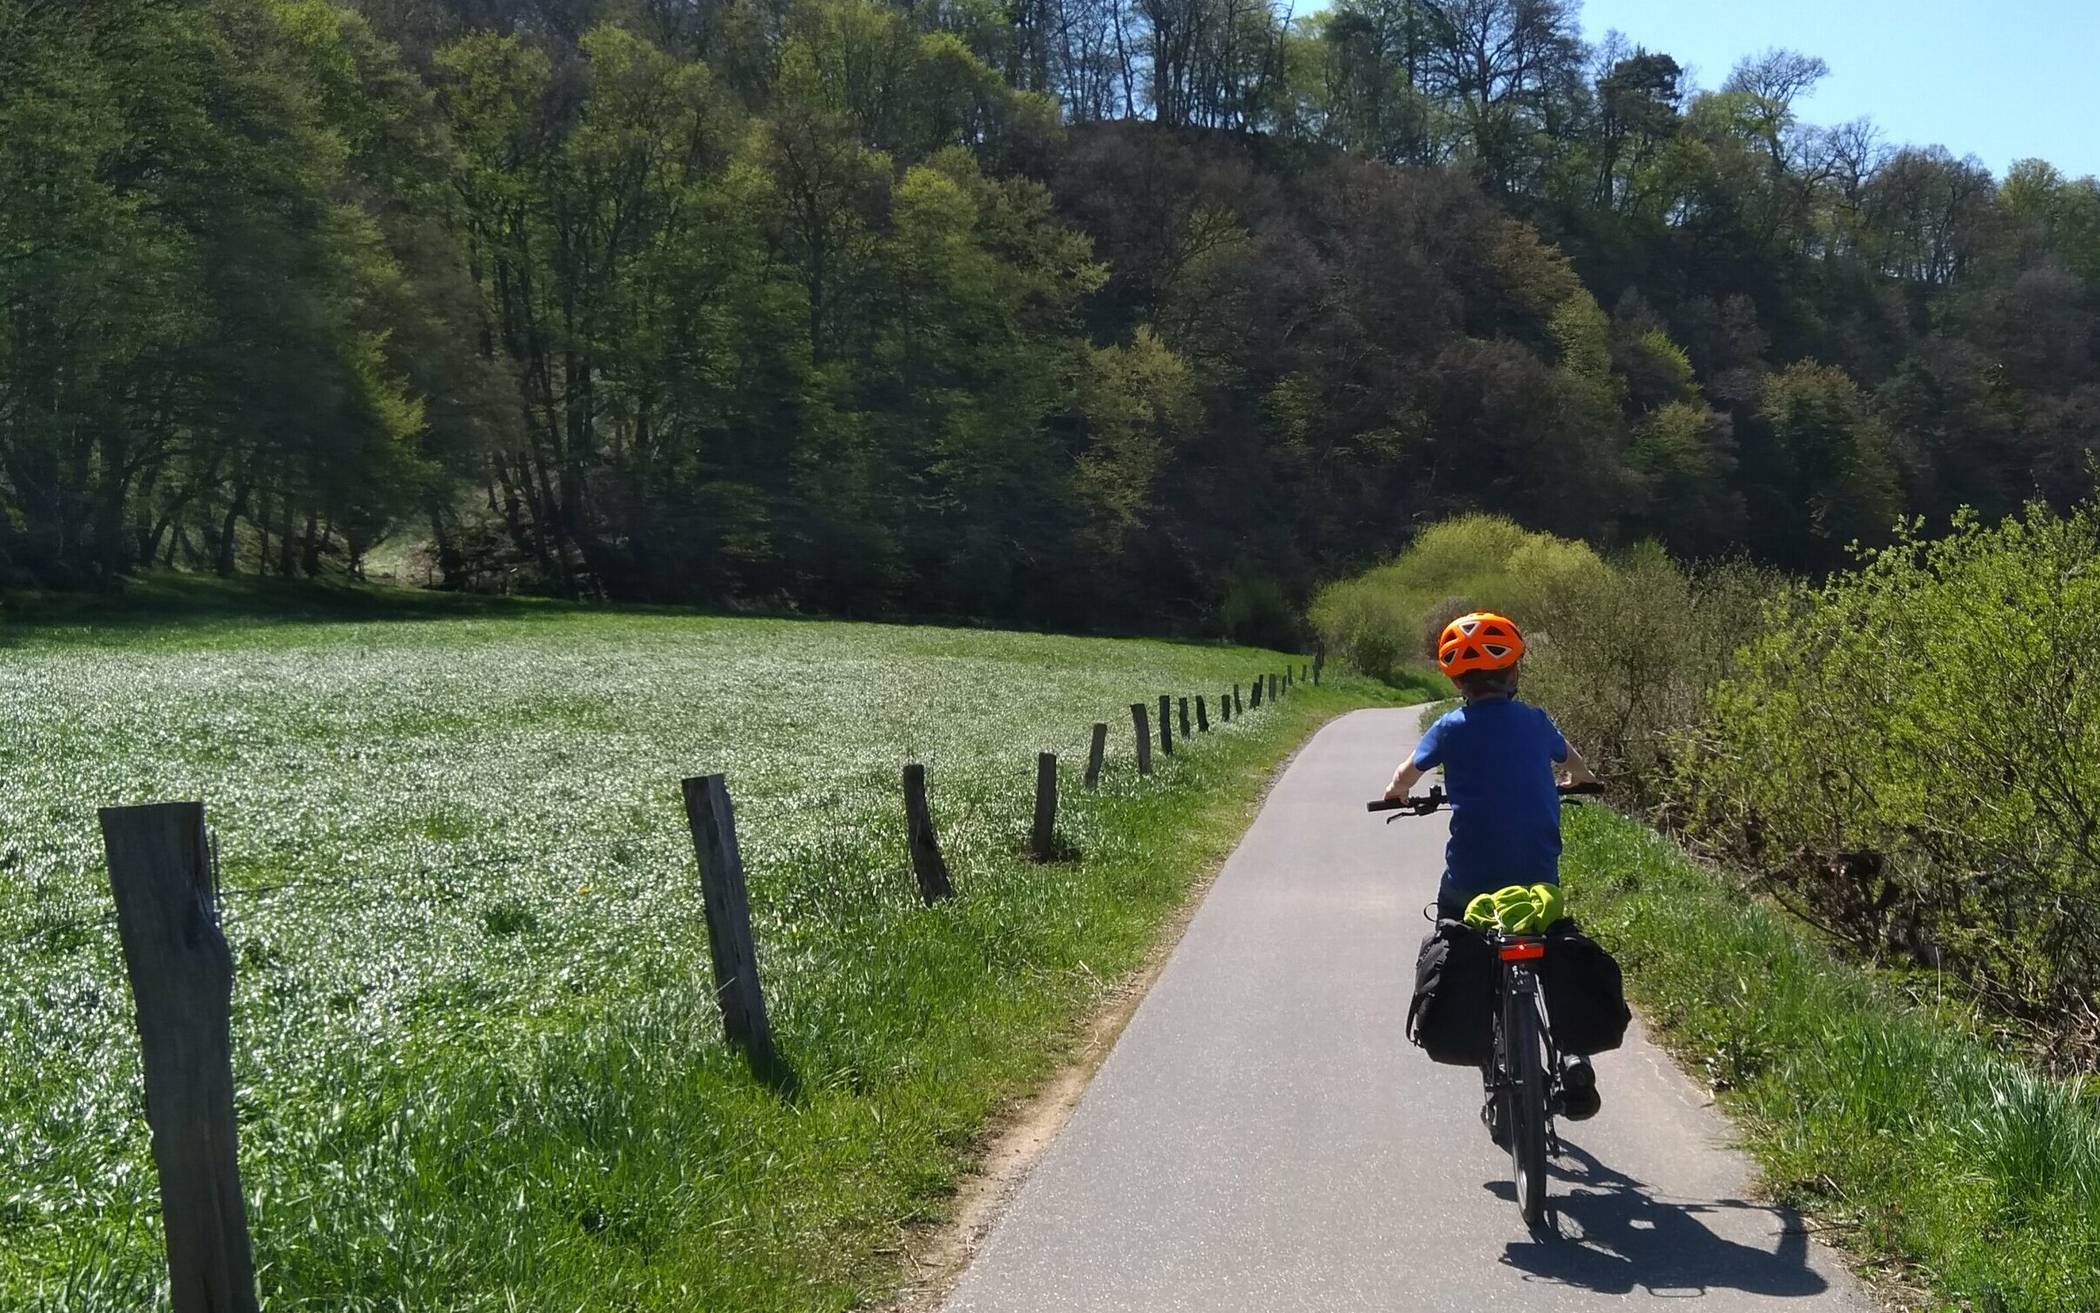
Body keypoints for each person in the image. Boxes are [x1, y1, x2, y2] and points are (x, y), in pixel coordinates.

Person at [1383, 610, 1604, 1129]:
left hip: (1471, 877)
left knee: (1455, 931)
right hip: (1536, 872)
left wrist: (1396, 795)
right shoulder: (1537, 721)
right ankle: (1572, 1053)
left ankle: (1484, 1035)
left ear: (1457, 681)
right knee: (1549, 942)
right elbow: (1576, 768)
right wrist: (1578, 782)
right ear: (1514, 675)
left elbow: (1404, 775)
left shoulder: (1449, 727)